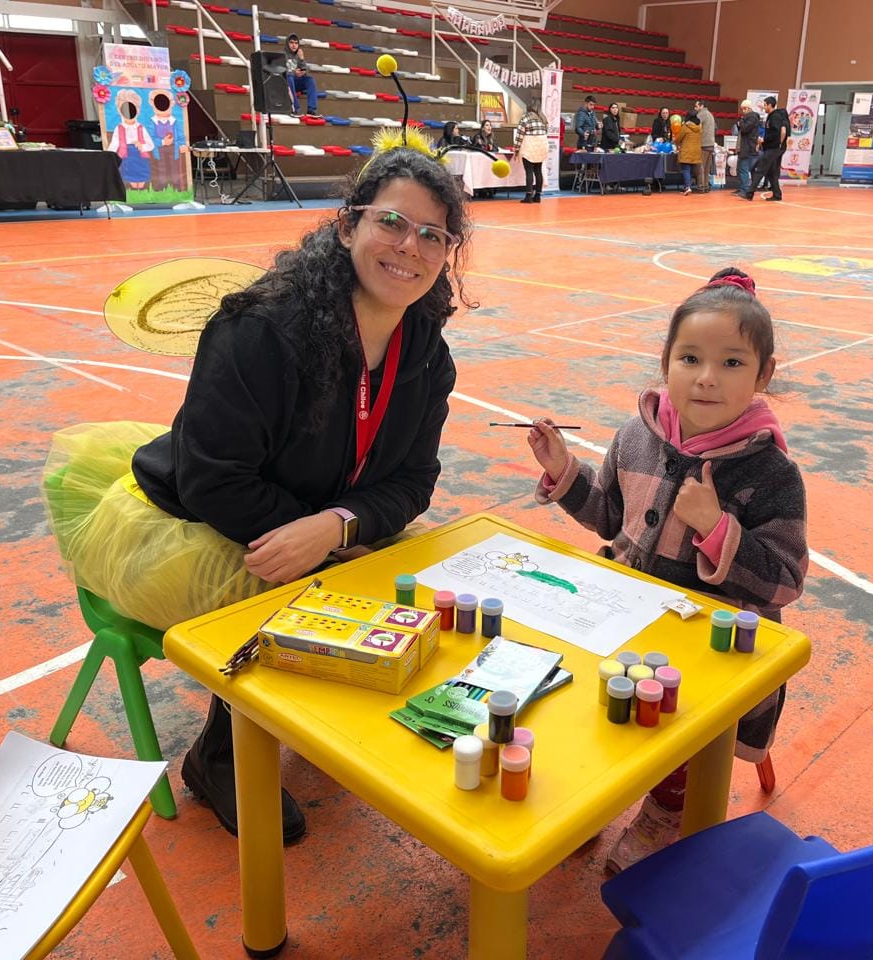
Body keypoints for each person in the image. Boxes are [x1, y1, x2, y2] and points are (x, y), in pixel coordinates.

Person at [42, 148, 470, 840]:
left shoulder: (425, 351)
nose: (409, 247)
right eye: (391, 222)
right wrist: (317, 543)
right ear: (347, 226)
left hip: (315, 517)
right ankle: (219, 755)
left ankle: (310, 709)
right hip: (192, 521)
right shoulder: (263, 328)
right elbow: (215, 479)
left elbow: (414, 480)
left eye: (433, 235)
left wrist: (331, 529)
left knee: (407, 590)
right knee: (288, 596)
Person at [526, 267, 807, 873]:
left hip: (710, 641)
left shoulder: (771, 472)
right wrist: (567, 472)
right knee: (569, 689)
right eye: (690, 358)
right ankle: (595, 792)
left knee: (675, 714)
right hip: (624, 614)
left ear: (764, 375)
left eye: (732, 363)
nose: (706, 379)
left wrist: (716, 528)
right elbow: (609, 519)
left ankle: (665, 810)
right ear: (666, 362)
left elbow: (786, 578)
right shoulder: (636, 436)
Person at [741, 95, 788, 201]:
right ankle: (777, 194)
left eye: (765, 105)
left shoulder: (775, 117)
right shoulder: (772, 116)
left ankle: (749, 193)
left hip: (772, 148)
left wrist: (765, 140)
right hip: (771, 148)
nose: (763, 107)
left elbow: (778, 132)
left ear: (770, 105)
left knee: (759, 169)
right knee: (771, 172)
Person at [108, 89, 155, 190]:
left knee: (141, 183)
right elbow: (114, 144)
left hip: (140, 157)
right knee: (132, 183)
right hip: (126, 158)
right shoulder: (119, 128)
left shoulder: (141, 128)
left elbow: (151, 144)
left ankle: (143, 196)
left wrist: (142, 146)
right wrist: (108, 155)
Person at [514, 100, 548, 203]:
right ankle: (538, 196)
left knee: (529, 171)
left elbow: (519, 135)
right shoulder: (543, 119)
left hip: (529, 146)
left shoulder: (525, 118)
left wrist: (516, 149)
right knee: (538, 171)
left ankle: (528, 196)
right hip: (541, 147)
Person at [283, 34, 319, 117]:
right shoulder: (282, 55)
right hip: (285, 83)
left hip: (295, 82)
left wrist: (302, 59)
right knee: (289, 77)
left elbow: (306, 72)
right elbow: (281, 72)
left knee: (310, 79)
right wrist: (293, 72)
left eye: (296, 43)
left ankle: (311, 110)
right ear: (287, 44)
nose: (294, 45)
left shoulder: (298, 55)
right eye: (291, 42)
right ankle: (296, 109)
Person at [674, 110, 703, 196]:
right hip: (696, 151)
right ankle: (687, 186)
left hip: (687, 151)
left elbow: (678, 138)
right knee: (690, 171)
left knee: (685, 170)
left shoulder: (686, 126)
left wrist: (675, 142)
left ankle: (687, 187)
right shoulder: (700, 127)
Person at [735, 99, 759, 195]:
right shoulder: (748, 117)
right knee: (740, 169)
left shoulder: (752, 117)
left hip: (747, 147)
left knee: (743, 169)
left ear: (748, 108)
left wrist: (740, 122)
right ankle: (741, 188)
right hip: (744, 146)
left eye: (744, 109)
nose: (742, 111)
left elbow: (744, 129)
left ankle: (744, 189)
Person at [694, 98, 716, 192]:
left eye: (696, 106)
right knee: (707, 167)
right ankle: (706, 185)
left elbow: (695, 125)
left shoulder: (701, 114)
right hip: (711, 143)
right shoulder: (710, 114)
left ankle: (701, 186)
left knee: (700, 167)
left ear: (701, 106)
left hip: (704, 144)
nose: (695, 108)